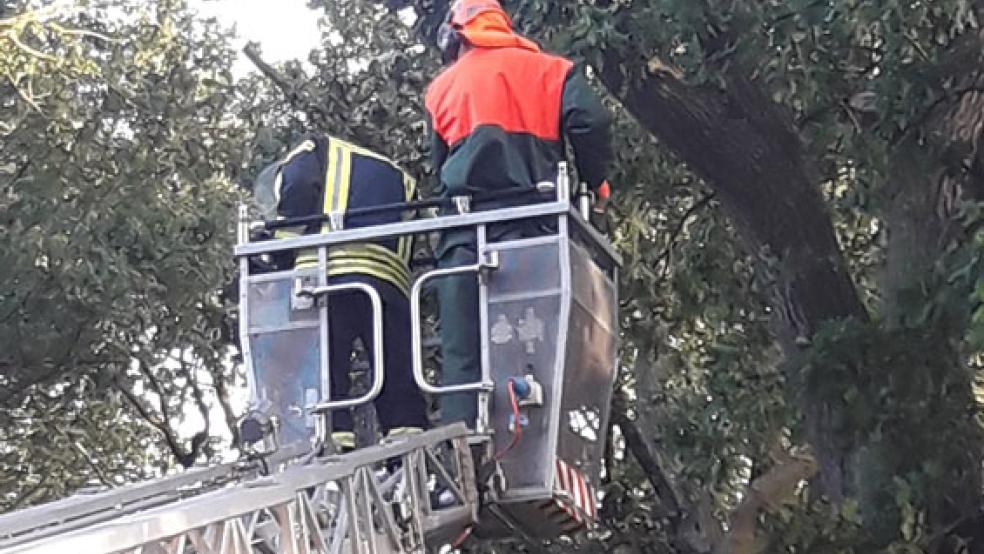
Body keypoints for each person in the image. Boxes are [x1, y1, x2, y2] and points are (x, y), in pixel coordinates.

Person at [424, 0, 614, 428]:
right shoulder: (553, 71)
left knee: (463, 356)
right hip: (536, 230)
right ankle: (536, 438)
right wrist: (594, 182)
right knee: (539, 343)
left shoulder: (441, 88)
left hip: (465, 233)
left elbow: (440, 170)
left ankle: (463, 450)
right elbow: (592, 122)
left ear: (455, 35)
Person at [272, 135, 429, 450]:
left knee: (327, 363)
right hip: (389, 282)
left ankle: (334, 434)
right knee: (395, 366)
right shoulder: (401, 177)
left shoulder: (316, 147)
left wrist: (281, 244)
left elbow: (299, 184)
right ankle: (406, 441)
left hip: (329, 270)